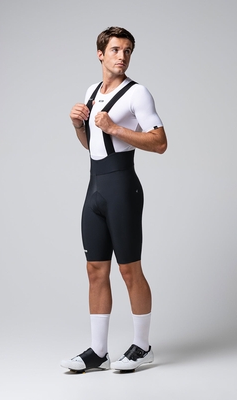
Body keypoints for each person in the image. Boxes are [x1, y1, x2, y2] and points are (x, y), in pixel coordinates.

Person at [60, 27, 167, 373]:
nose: (122, 56)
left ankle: (143, 346)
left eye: (128, 50)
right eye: (116, 50)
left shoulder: (138, 94)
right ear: (100, 54)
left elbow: (160, 142)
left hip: (122, 188)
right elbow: (92, 146)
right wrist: (79, 125)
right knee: (95, 270)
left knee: (129, 270)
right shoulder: (92, 92)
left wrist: (115, 128)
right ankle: (98, 351)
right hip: (95, 188)